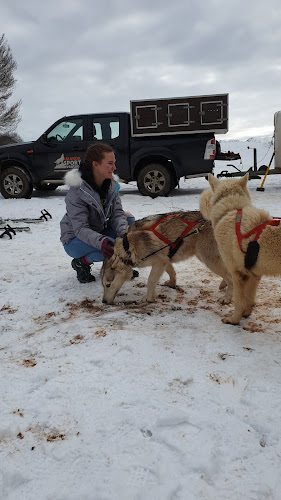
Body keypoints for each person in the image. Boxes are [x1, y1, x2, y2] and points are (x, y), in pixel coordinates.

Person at [60, 142, 137, 283]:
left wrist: (124, 233)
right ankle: (81, 262)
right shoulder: (77, 191)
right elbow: (80, 228)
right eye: (109, 163)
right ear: (95, 164)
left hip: (97, 230)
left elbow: (117, 214)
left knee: (130, 224)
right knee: (114, 247)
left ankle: (118, 260)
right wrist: (103, 241)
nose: (114, 168)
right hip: (74, 239)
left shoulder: (110, 185)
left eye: (114, 163)